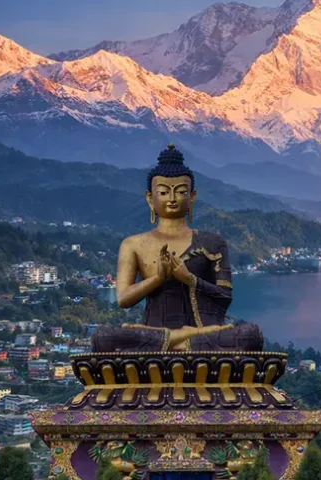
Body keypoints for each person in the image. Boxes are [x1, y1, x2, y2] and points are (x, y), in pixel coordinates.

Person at [91, 144, 263, 352]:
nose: (172, 199)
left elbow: (224, 296)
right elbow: (123, 299)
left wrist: (187, 278)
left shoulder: (212, 242)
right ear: (150, 198)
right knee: (102, 337)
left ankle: (175, 340)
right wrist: (158, 278)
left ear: (192, 197)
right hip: (157, 331)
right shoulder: (133, 244)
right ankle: (183, 338)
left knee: (250, 334)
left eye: (180, 192)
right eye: (163, 192)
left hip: (189, 335)